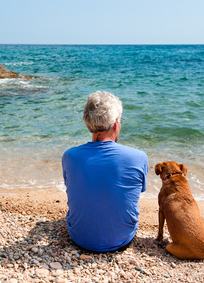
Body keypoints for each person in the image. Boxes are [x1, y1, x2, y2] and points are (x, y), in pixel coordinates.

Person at [62, 91, 148, 252]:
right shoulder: (138, 157)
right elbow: (135, 192)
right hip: (121, 238)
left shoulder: (70, 156)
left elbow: (76, 186)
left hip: (79, 237)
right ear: (116, 124)